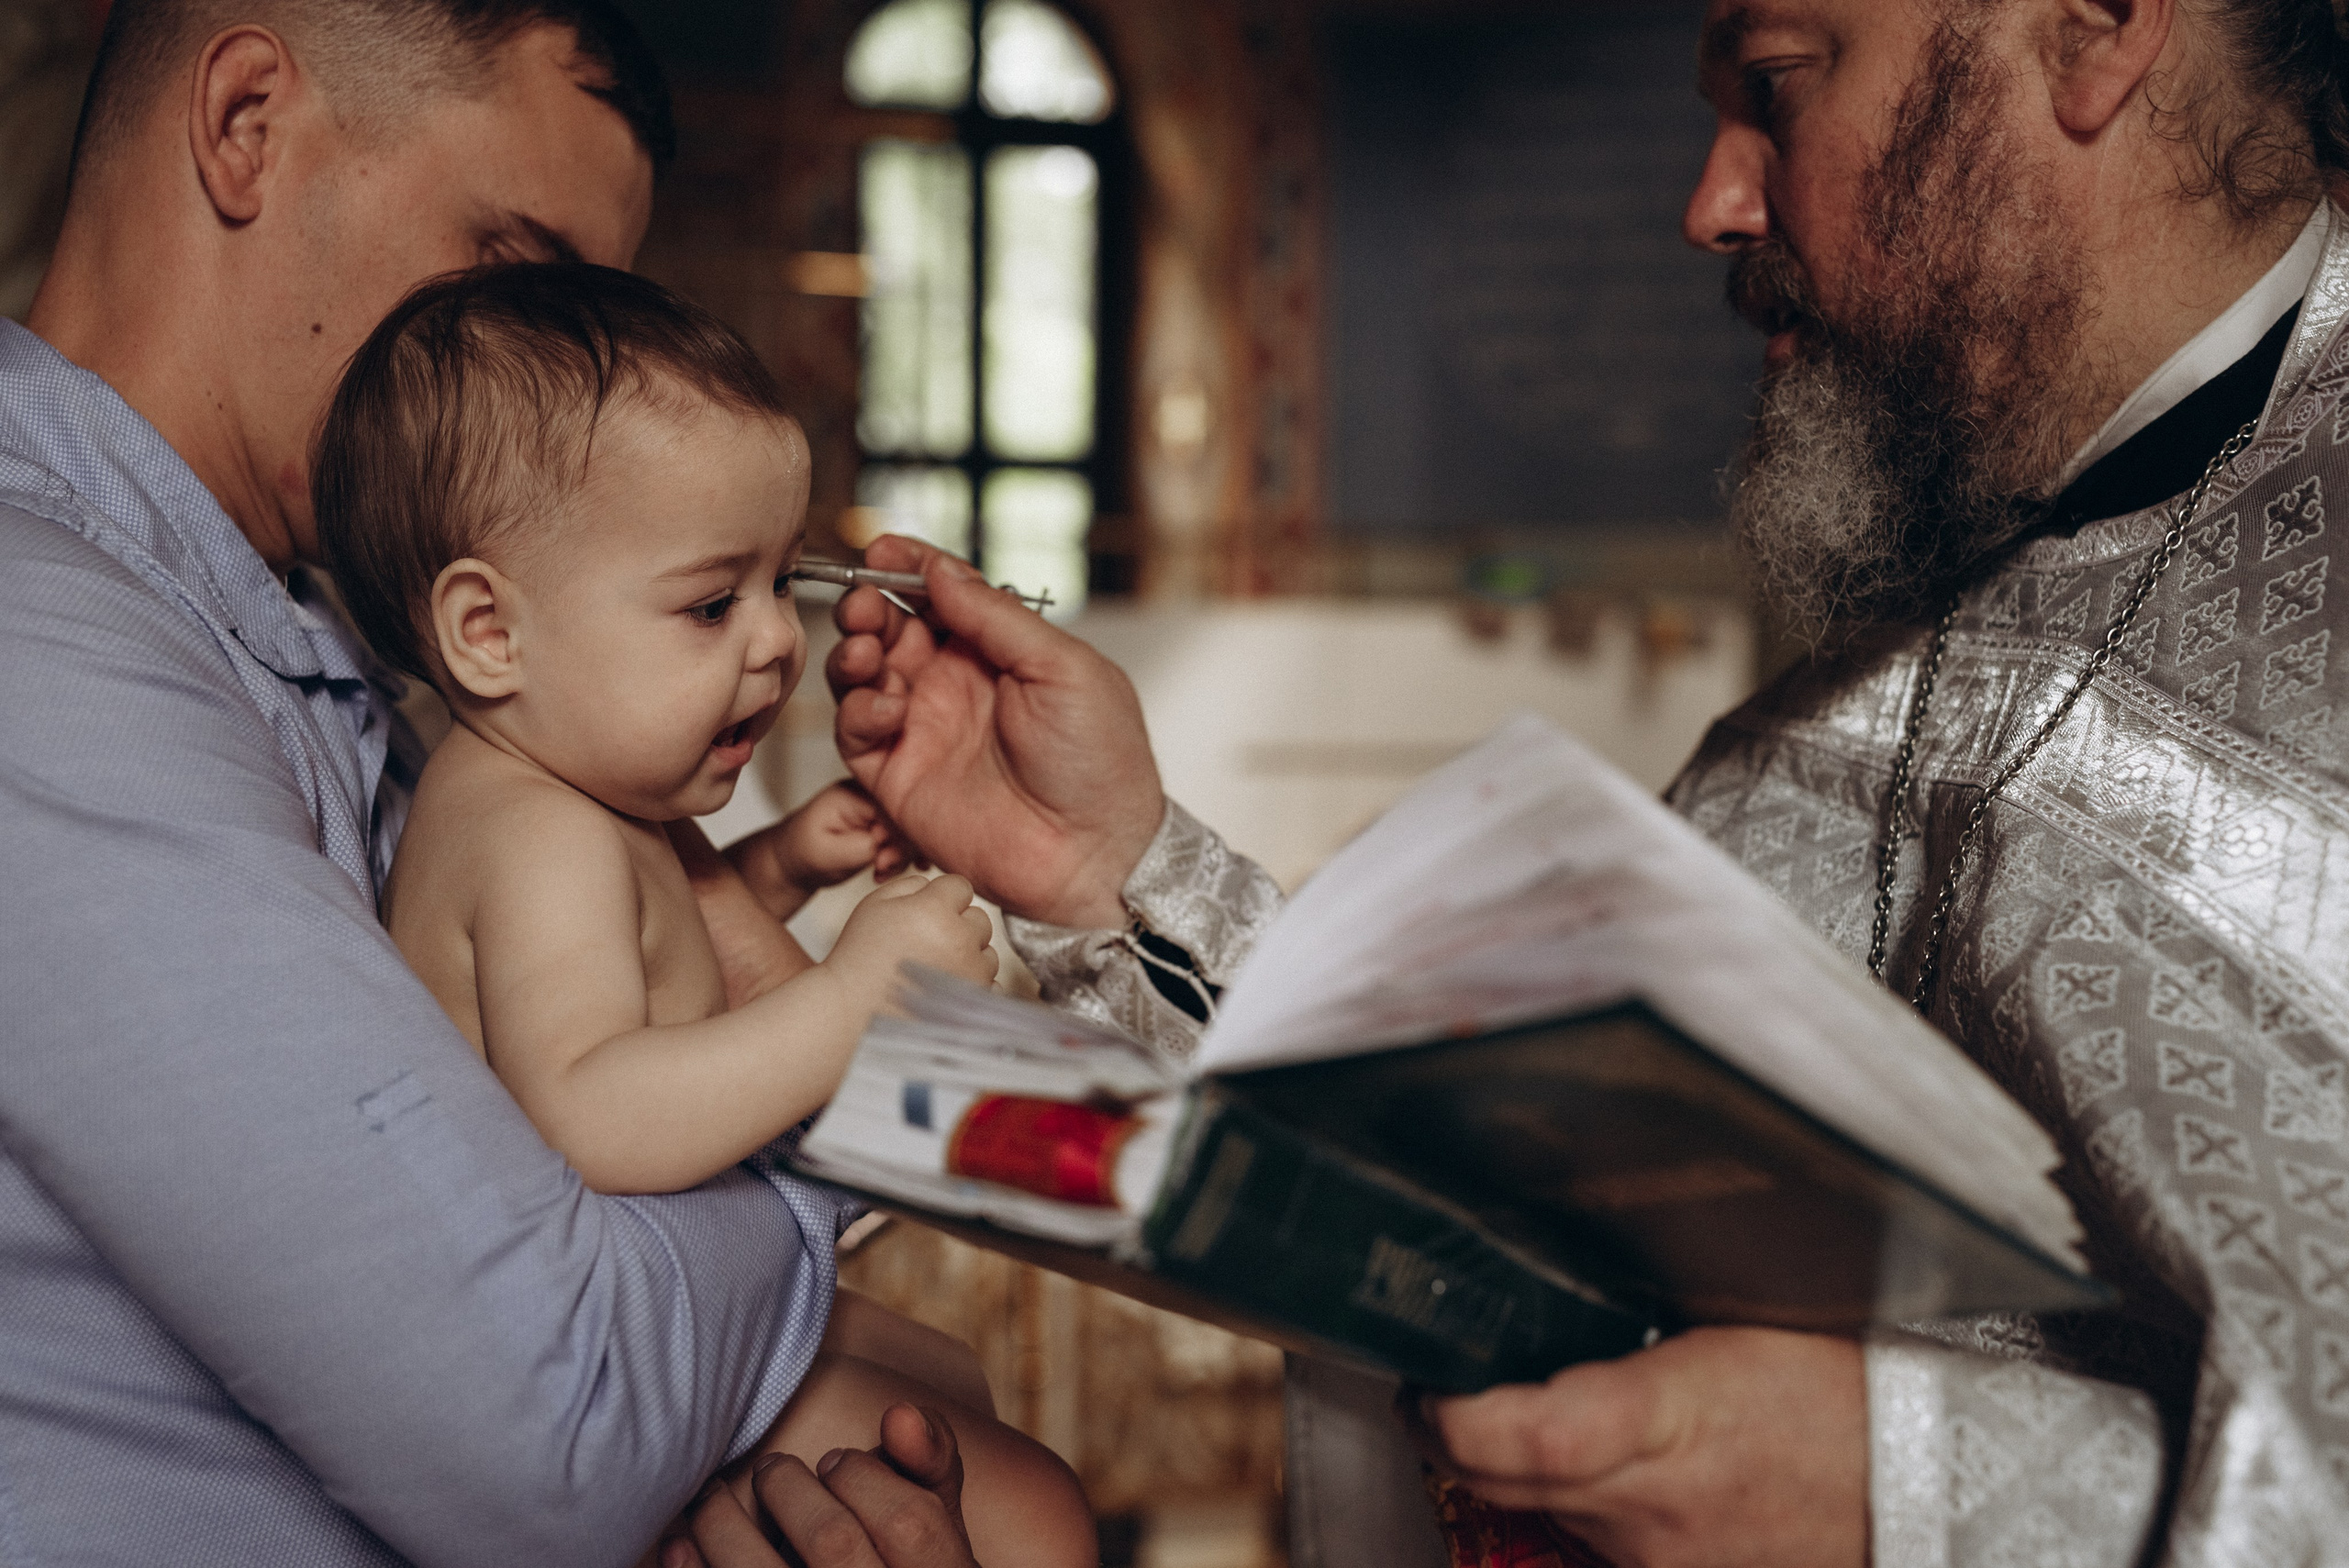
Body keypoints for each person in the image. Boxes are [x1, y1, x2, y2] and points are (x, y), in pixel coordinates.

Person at [785, 0, 2349, 1563]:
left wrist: (1907, 1491)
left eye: (1778, 88)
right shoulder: (1876, 675)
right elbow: (1526, 1204)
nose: (1713, 202)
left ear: (2094, 30)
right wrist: (1117, 875)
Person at [0, 3, 962, 1562]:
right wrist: (810, 1132)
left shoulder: (371, 648)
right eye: (512, 271)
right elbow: (558, 1420)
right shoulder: (38, 638)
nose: (527, 368)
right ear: (246, 126)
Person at [310, 261, 1093, 1564]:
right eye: (711, 601)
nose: (778, 642)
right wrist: (858, 997)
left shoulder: (573, 792)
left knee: (944, 1370)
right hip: (592, 1375)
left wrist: (783, 862)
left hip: (662, 1315)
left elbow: (642, 958)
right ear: (488, 631)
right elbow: (594, 1106)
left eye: (782, 581)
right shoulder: (537, 829)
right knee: (1035, 1510)